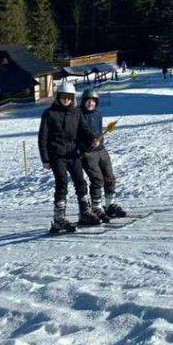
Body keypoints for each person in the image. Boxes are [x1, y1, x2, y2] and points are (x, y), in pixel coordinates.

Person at [38, 80, 101, 233]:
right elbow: (42, 138)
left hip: (73, 154)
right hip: (57, 155)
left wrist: (93, 138)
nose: (66, 100)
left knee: (80, 182)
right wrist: (45, 159)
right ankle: (59, 219)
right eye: (63, 97)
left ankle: (85, 212)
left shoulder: (76, 113)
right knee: (62, 183)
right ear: (58, 97)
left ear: (73, 98)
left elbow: (84, 130)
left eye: (69, 97)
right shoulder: (49, 114)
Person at [79, 88, 126, 221]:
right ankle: (96, 207)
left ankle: (110, 205)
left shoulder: (98, 114)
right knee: (97, 179)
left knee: (109, 177)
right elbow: (84, 130)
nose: (90, 103)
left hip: (101, 150)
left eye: (93, 101)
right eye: (88, 101)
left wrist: (101, 139)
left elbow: (98, 131)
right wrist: (91, 140)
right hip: (88, 152)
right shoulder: (79, 115)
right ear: (83, 101)